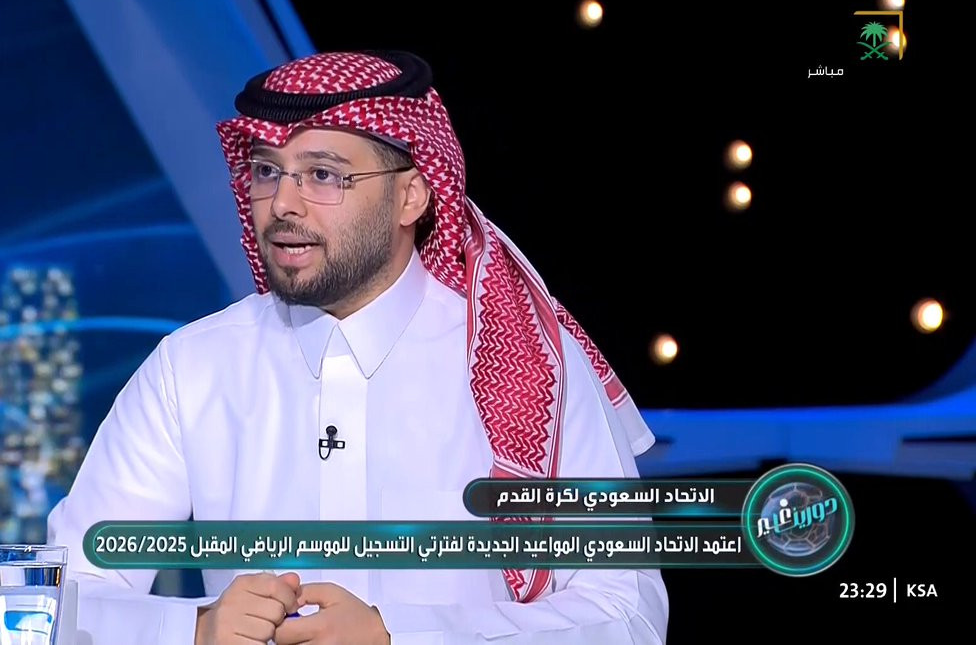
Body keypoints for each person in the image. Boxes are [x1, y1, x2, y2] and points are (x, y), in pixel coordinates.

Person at [47, 50, 668, 644]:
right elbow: (56, 598)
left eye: (323, 175)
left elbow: (626, 615)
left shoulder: (530, 367)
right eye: (266, 171)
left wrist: (402, 637)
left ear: (411, 196)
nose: (282, 204)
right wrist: (193, 630)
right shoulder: (192, 368)